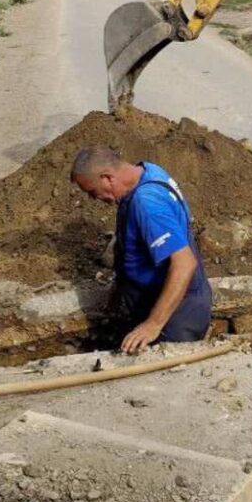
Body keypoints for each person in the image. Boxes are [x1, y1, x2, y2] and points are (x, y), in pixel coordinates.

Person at [70, 146, 212, 353]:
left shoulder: (147, 204)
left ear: (107, 178)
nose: (93, 198)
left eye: (92, 191)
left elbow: (185, 263)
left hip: (176, 316)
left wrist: (153, 324)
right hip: (161, 298)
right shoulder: (147, 172)